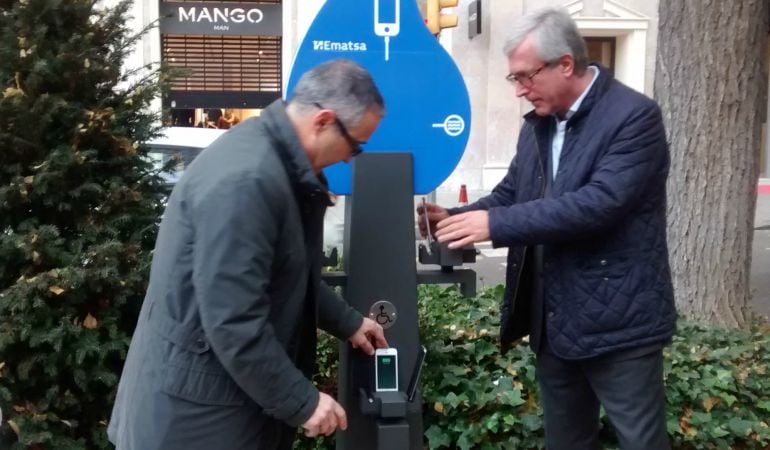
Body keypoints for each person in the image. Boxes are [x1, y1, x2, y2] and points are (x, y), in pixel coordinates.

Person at [418, 8, 675, 450]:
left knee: (641, 441)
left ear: (566, 65)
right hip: (554, 321)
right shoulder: (538, 125)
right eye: (513, 80)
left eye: (524, 77)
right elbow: (513, 194)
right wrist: (457, 219)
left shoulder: (634, 117)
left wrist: (493, 225)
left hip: (619, 323)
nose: (519, 90)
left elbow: (598, 205)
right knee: (567, 442)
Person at [108, 59, 388, 450]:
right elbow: (233, 321)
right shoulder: (248, 181)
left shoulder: (272, 161)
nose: (349, 158)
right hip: (195, 420)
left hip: (213, 405)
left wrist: (348, 322)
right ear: (323, 121)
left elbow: (285, 274)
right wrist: (303, 403)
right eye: (354, 145)